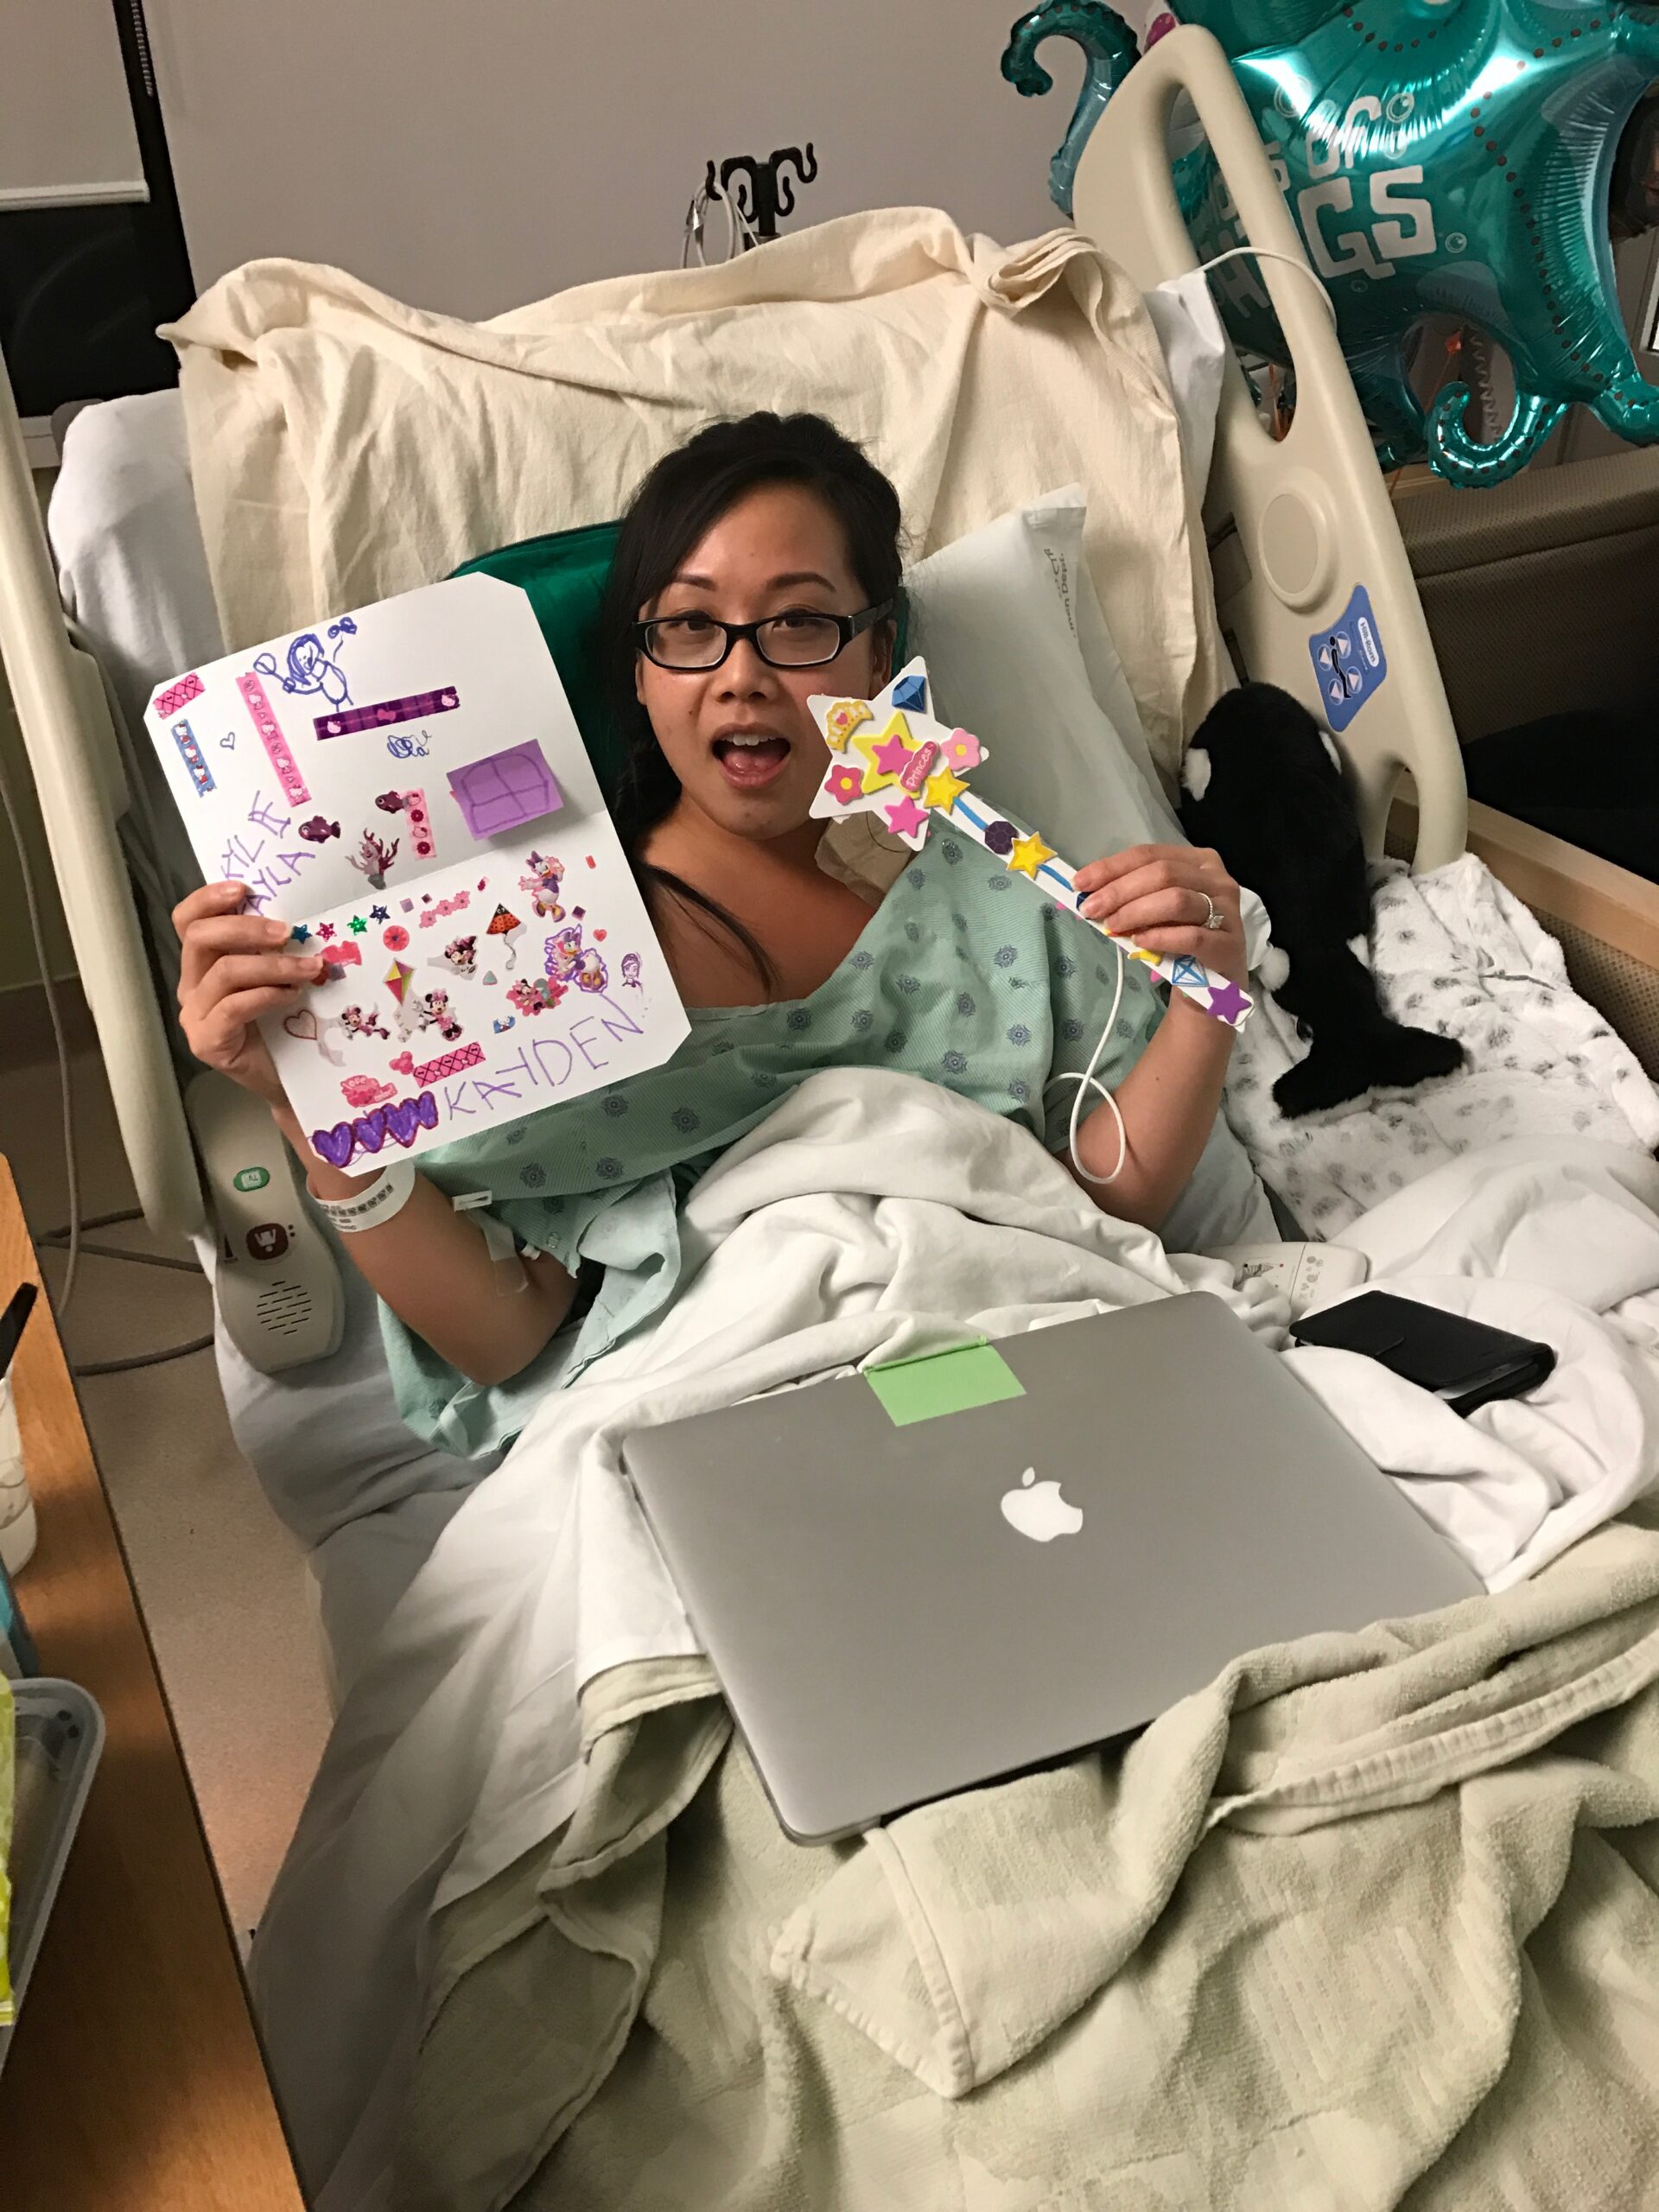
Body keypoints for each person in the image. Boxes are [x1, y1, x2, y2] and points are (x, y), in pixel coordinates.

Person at [174, 413, 1252, 1418]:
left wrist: (1210, 987)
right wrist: (308, 1109)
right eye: (690, 626)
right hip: (741, 1411)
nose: (742, 674)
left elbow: (1109, 1203)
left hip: (1016, 1369)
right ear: (638, 674)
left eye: (800, 622)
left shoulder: (981, 874)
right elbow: (509, 1341)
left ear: (879, 655)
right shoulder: (533, 949)